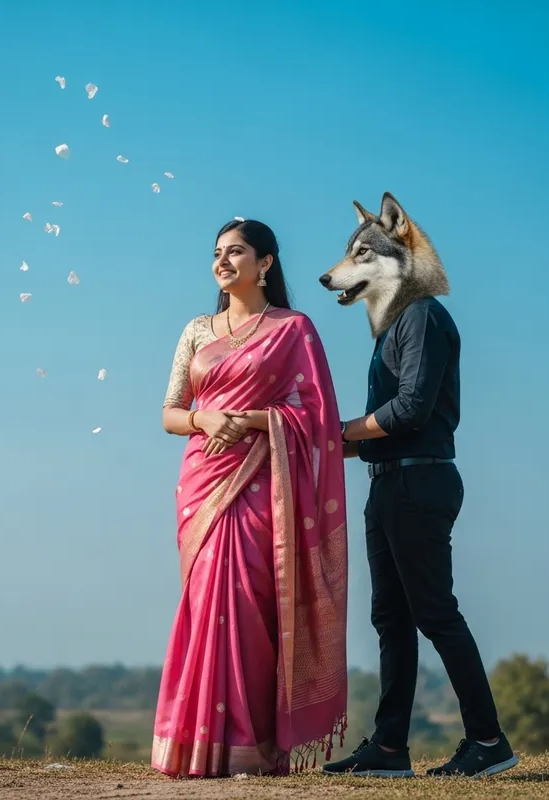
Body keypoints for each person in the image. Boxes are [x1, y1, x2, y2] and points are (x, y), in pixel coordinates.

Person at [321, 194, 518, 779]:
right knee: (391, 618)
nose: (343, 272)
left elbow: (408, 411)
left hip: (419, 484)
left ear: (402, 249)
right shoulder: (391, 330)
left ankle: (488, 742)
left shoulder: (424, 316)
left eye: (362, 257)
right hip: (389, 484)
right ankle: (388, 748)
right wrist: (315, 443)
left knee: (435, 613)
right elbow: (382, 431)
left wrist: (333, 432)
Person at [152, 219, 348, 778]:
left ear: (265, 263)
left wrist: (255, 420)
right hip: (203, 483)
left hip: (265, 480)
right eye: (217, 253)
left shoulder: (293, 329)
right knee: (205, 602)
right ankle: (195, 744)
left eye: (235, 251)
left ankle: (251, 745)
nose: (222, 261)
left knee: (249, 601)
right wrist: (205, 417)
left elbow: (317, 418)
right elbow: (170, 413)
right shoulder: (197, 330)